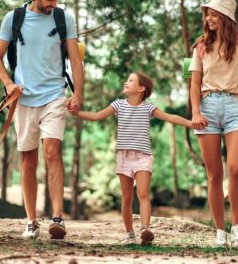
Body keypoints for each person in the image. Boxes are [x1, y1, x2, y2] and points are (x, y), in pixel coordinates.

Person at [0, 0, 84, 240]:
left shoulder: (63, 18)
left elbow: (75, 61)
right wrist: (9, 85)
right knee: (28, 159)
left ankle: (58, 219)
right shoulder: (14, 19)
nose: (53, 3)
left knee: (52, 152)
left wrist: (77, 93)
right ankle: (31, 221)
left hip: (55, 94)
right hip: (23, 98)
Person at [70, 72, 206, 245]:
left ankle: (145, 230)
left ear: (141, 88)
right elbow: (97, 116)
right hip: (124, 156)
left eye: (131, 80)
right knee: (127, 198)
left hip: (143, 157)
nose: (126, 82)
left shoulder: (148, 108)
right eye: (127, 80)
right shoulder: (118, 105)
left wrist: (191, 123)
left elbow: (170, 117)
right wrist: (77, 113)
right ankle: (129, 234)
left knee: (143, 193)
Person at [189, 0, 238, 247]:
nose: (208, 18)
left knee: (235, 169)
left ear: (226, 18)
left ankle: (237, 227)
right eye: (207, 14)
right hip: (207, 108)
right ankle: (220, 230)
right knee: (214, 174)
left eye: (214, 14)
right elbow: (195, 83)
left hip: (235, 107)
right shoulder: (201, 46)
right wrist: (195, 112)